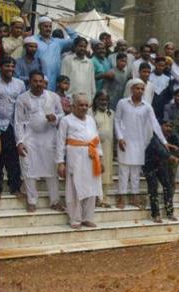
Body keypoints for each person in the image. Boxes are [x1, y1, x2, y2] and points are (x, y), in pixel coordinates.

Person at [114, 79, 170, 209]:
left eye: (142, 89)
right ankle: (121, 197)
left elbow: (155, 123)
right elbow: (117, 121)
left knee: (135, 172)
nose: (140, 91)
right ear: (131, 89)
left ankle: (134, 197)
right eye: (137, 88)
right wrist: (120, 138)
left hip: (139, 143)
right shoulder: (122, 103)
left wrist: (164, 141)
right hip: (125, 141)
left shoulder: (147, 106)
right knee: (123, 171)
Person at [14, 70, 65, 213]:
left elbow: (62, 115)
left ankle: (55, 201)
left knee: (52, 171)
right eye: (35, 81)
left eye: (40, 81)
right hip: (30, 139)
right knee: (29, 169)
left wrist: (55, 117)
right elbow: (18, 122)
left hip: (49, 139)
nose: (38, 84)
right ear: (29, 82)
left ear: (44, 82)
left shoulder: (53, 97)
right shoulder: (22, 99)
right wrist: (20, 142)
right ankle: (31, 201)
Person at [55, 93, 104, 229]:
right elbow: (60, 142)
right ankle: (75, 219)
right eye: (80, 105)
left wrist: (100, 157)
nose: (83, 107)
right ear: (73, 106)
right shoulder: (66, 120)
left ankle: (87, 217)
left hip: (91, 157)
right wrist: (60, 162)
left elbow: (96, 139)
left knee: (91, 187)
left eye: (86, 105)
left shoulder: (90, 119)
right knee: (74, 188)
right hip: (75, 158)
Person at [0, 57, 26, 200]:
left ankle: (15, 187)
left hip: (12, 124)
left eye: (12, 66)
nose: (10, 69)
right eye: (7, 66)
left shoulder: (20, 84)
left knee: (13, 158)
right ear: (0, 67)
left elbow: (22, 103)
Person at [144, 120, 179, 223]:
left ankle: (170, 213)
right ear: (161, 126)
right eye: (166, 126)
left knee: (168, 187)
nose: (168, 128)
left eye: (170, 126)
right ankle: (155, 215)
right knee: (153, 189)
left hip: (161, 165)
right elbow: (160, 150)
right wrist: (173, 158)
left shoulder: (171, 136)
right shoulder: (155, 136)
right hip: (150, 165)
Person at [33, 16, 78, 91]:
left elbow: (76, 39)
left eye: (50, 26)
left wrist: (65, 26)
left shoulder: (57, 42)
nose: (48, 29)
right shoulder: (33, 40)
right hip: (38, 81)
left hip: (54, 82)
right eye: (45, 26)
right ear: (39, 27)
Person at [89, 90, 115, 208]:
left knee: (105, 173)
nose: (103, 102)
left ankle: (102, 198)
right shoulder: (91, 112)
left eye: (106, 100)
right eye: (101, 100)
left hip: (108, 147)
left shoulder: (111, 113)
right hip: (94, 147)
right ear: (96, 100)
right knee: (95, 172)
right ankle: (94, 198)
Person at [61, 37, 95, 105]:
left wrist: (92, 96)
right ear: (75, 47)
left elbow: (92, 81)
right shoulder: (67, 60)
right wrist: (65, 96)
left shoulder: (89, 62)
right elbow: (63, 79)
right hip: (71, 99)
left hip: (86, 100)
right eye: (80, 46)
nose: (82, 48)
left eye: (84, 47)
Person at [149, 56, 175, 121]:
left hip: (162, 107)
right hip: (151, 105)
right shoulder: (149, 77)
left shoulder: (168, 79)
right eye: (159, 65)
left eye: (163, 66)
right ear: (155, 64)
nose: (160, 67)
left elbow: (170, 95)